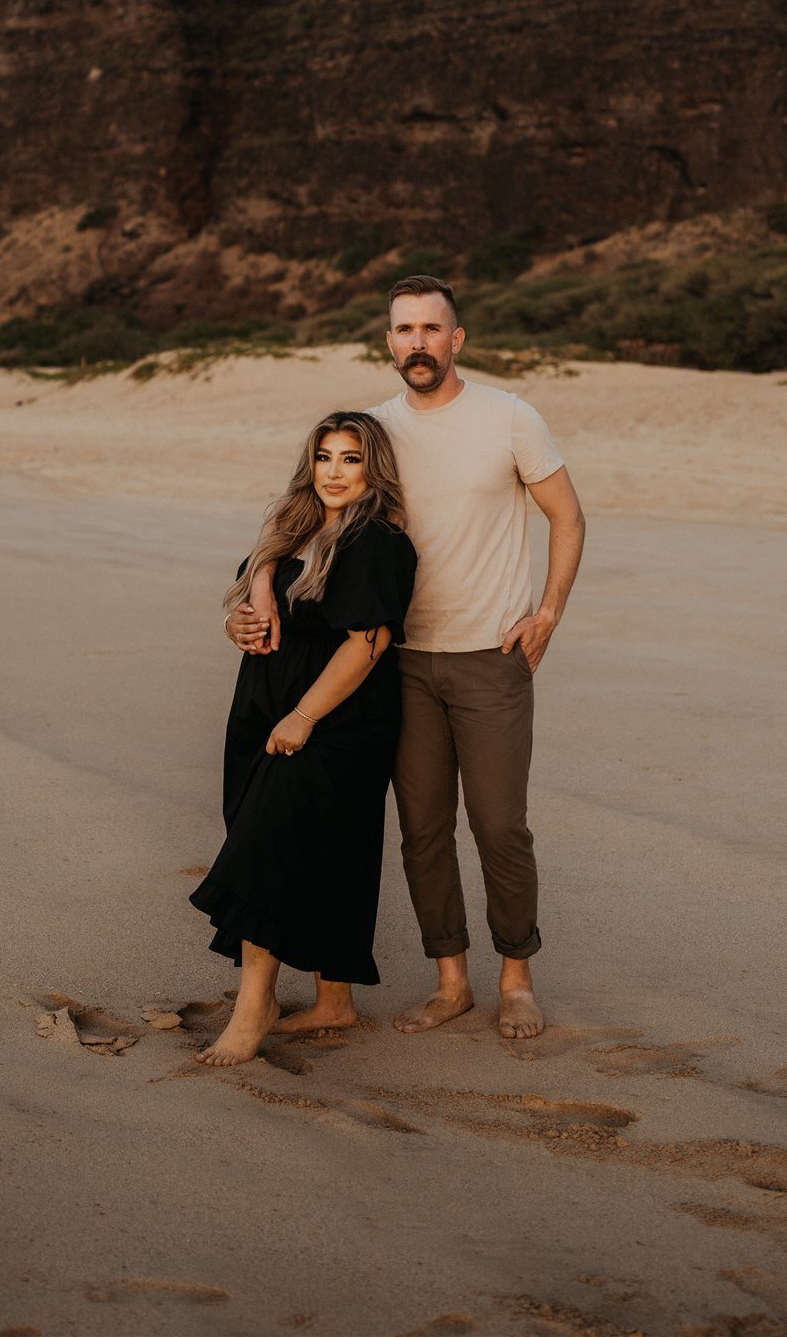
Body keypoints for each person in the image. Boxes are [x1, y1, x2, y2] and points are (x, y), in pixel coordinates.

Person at [229, 275, 584, 1041]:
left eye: (430, 329)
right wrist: (253, 586)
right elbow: (304, 516)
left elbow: (566, 516)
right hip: (400, 665)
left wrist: (547, 610)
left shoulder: (509, 418)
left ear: (456, 339)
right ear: (387, 342)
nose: (416, 342)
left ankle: (515, 978)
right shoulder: (378, 432)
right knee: (422, 830)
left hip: (490, 655)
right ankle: (449, 980)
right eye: (403, 330)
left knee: (498, 827)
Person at [190, 410, 417, 1066]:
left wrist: (304, 717)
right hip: (265, 704)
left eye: (350, 458)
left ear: (373, 468)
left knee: (264, 847)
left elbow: (368, 643)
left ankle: (253, 1003)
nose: (335, 472)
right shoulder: (295, 526)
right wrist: (245, 615)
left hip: (335, 719)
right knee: (323, 852)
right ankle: (334, 1001)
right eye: (325, 457)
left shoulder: (376, 541)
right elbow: (264, 606)